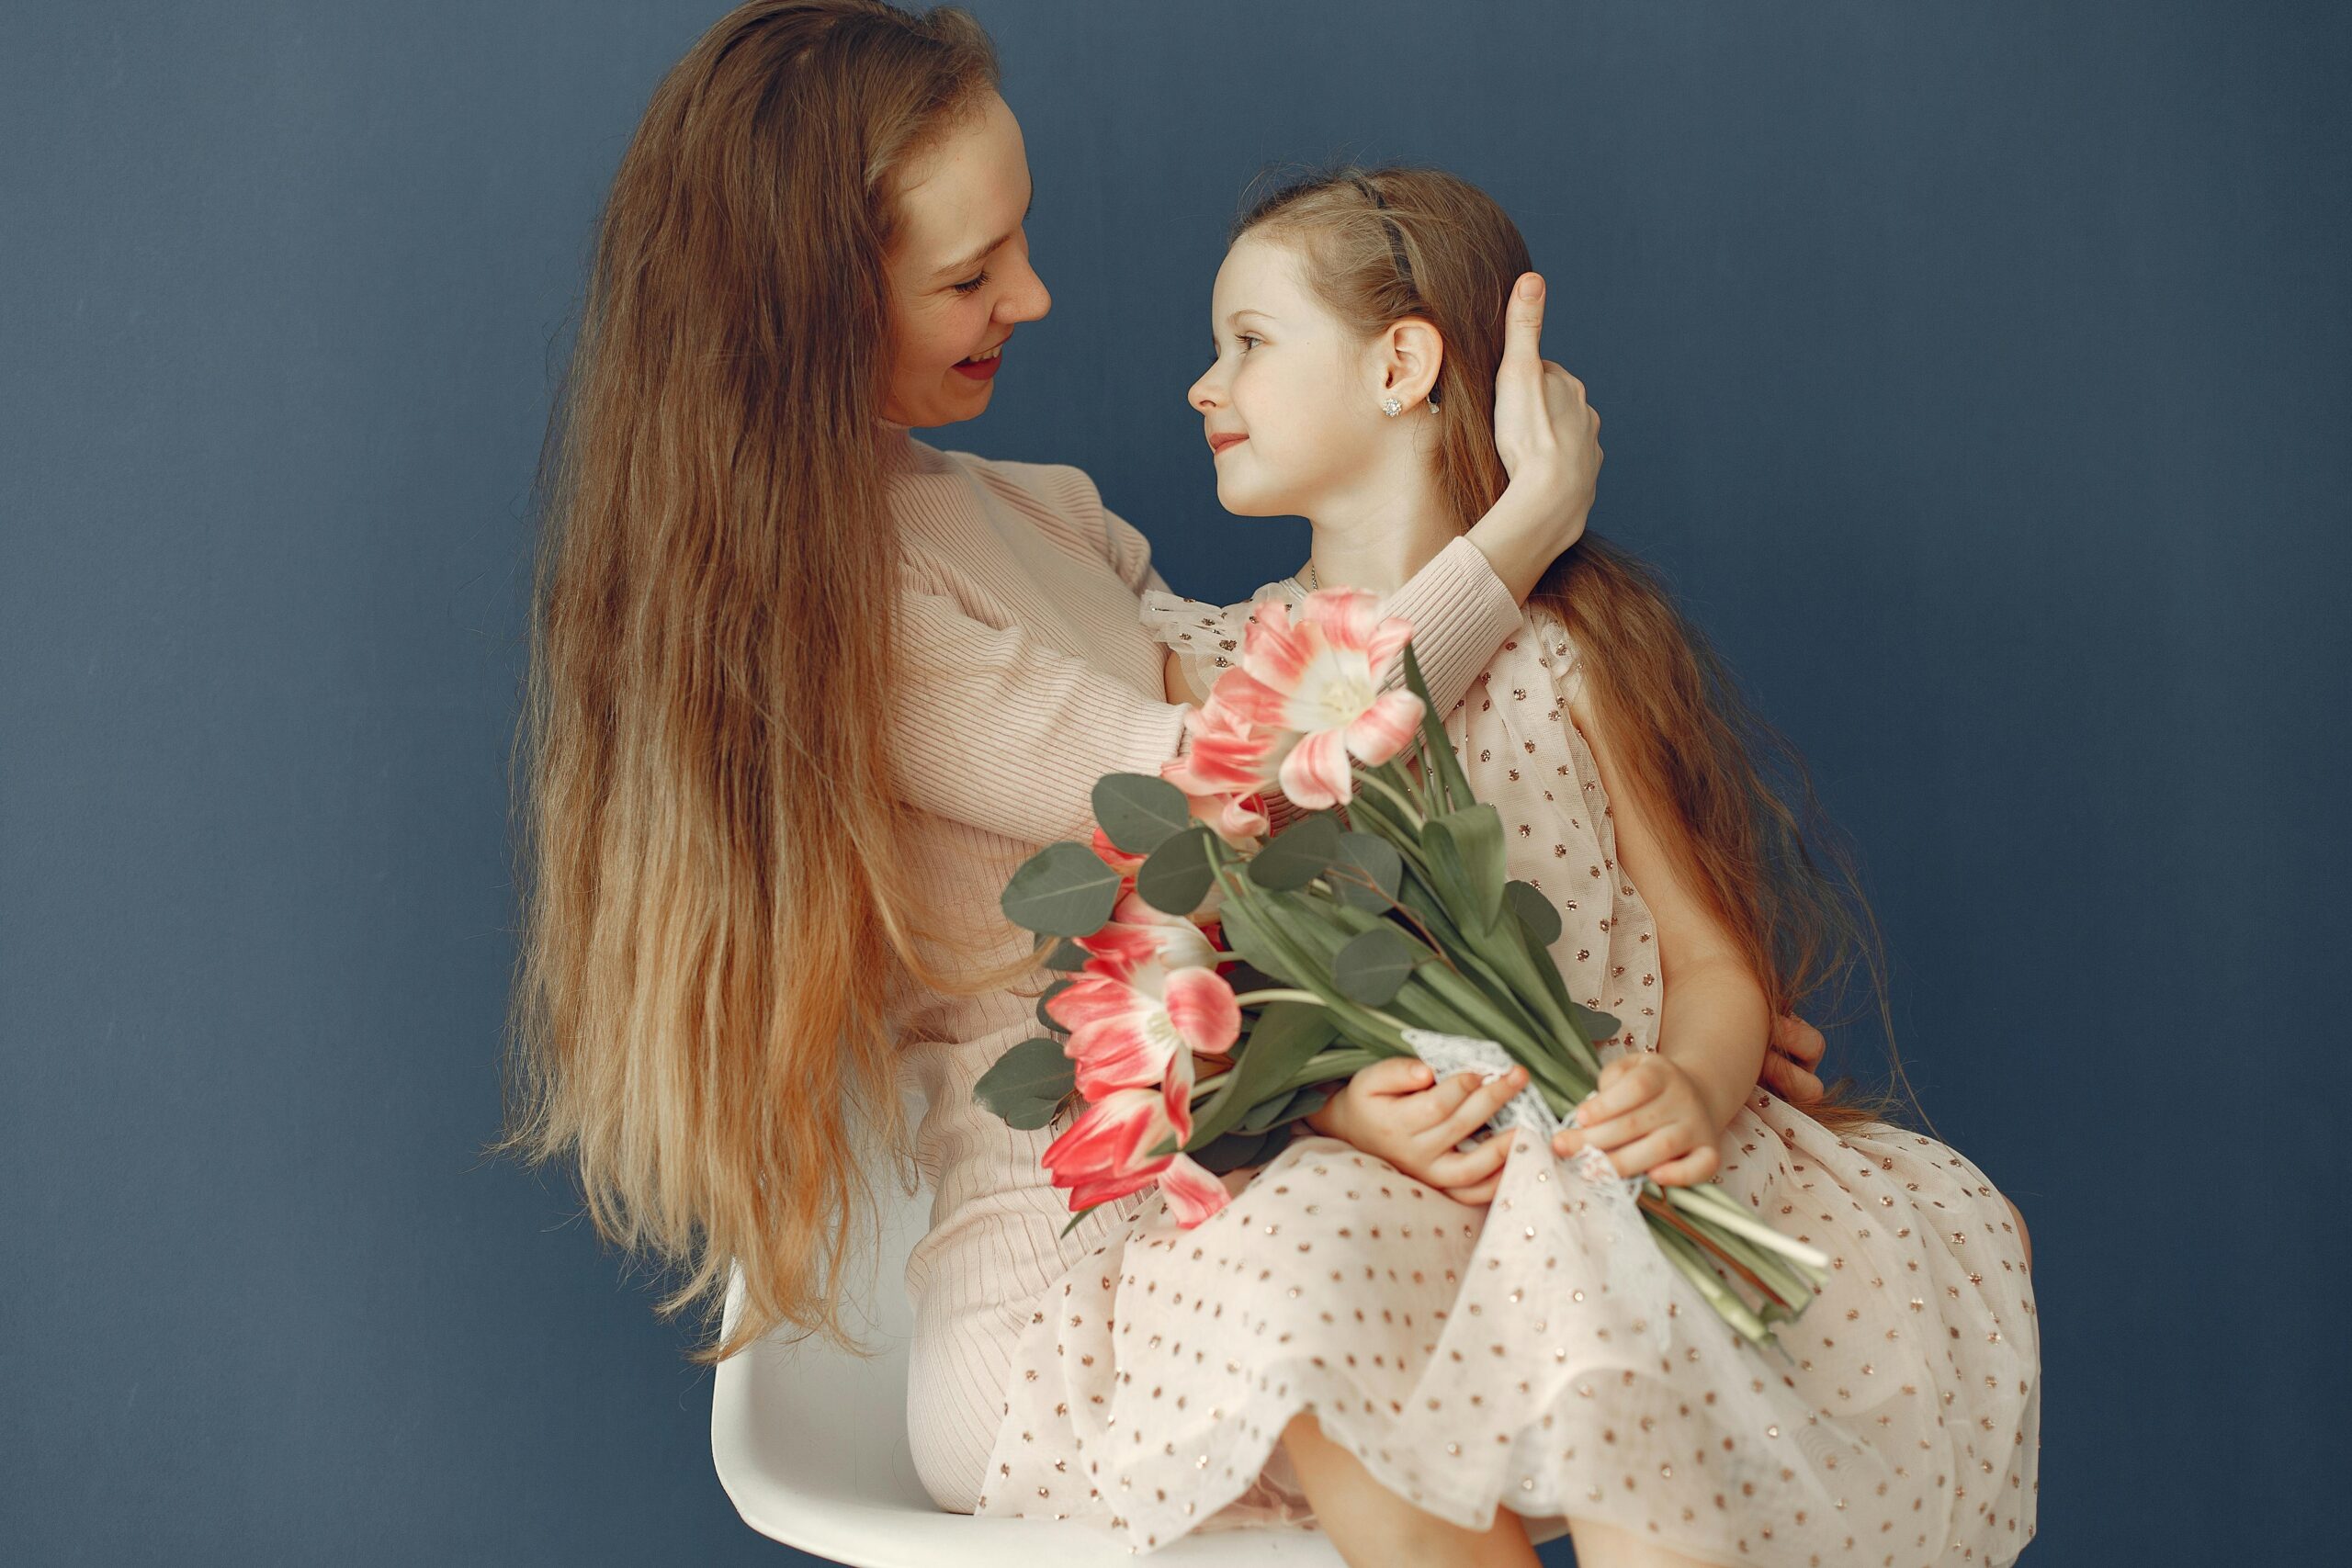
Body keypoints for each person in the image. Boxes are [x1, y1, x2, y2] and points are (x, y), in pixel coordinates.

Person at [494, 0, 1833, 1546]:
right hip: (1087, 1284)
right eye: (969, 274)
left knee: (1601, 1289)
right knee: (1365, 1336)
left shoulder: (1043, 513)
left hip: (1261, 1174)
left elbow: (1293, 689)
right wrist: (1522, 525)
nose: (1036, 295)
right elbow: (1232, 785)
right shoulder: (830, 611)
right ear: (805, 304)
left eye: (1022, 240)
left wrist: (1662, 1020)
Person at [976, 166, 2041, 1567]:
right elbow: (1218, 999)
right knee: (1281, 1269)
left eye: (1248, 339)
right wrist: (1346, 1110)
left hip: (1590, 1160)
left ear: (1402, 362)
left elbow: (1717, 958)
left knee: (1622, 1278)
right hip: (1384, 1192)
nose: (1202, 382)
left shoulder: (1568, 651)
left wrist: (1693, 1085)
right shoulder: (1211, 673)